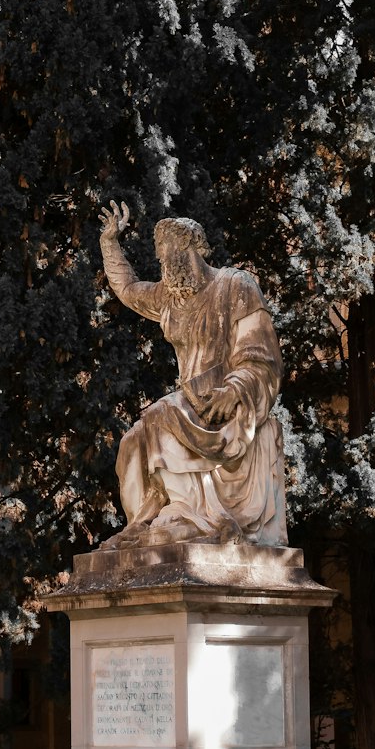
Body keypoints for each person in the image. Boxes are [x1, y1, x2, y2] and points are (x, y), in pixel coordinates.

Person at [97, 199, 288, 549]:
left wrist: (235, 389)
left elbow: (260, 356)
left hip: (226, 403)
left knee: (159, 414)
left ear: (187, 245)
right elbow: (127, 290)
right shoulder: (170, 297)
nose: (159, 258)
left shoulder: (235, 286)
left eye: (162, 248)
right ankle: (150, 521)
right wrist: (110, 243)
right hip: (190, 402)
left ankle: (186, 512)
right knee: (131, 443)